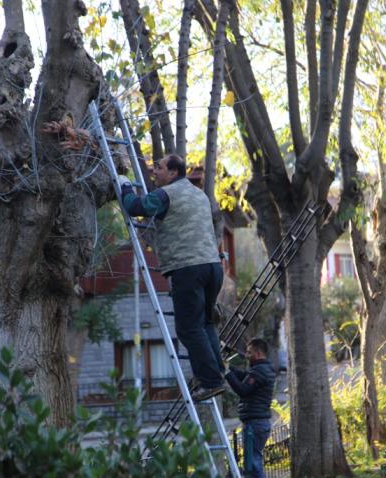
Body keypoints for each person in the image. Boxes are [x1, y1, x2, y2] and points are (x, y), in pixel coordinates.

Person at [118, 153, 226, 402]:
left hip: (188, 268)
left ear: (174, 172)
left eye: (159, 167)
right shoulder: (199, 195)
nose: (154, 171)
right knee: (205, 323)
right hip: (212, 266)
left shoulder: (167, 194)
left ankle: (211, 381)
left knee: (188, 328)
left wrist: (125, 186)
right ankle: (216, 372)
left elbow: (137, 208)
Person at [225, 338, 276, 478]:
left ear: (258, 353)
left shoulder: (259, 370)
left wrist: (227, 373)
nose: (246, 356)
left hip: (255, 424)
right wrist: (229, 367)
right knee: (253, 462)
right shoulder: (262, 369)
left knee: (253, 464)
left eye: (249, 353)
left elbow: (243, 390)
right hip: (258, 423)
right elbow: (244, 377)